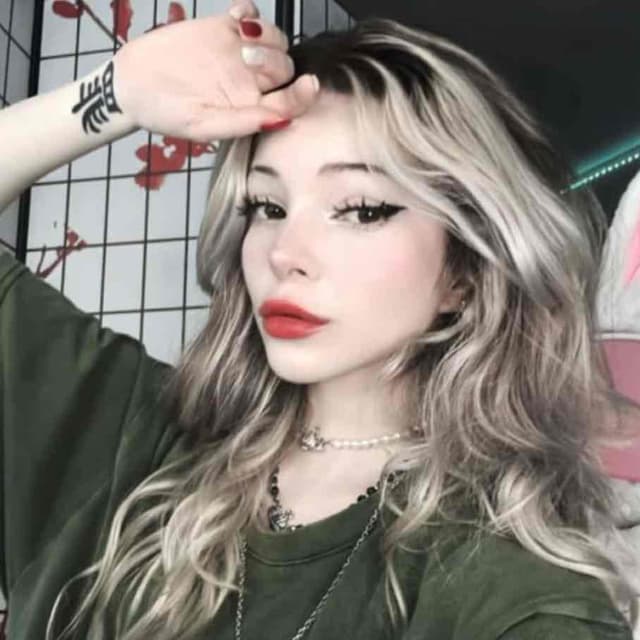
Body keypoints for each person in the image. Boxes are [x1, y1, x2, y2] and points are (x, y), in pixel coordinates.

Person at [0, 0, 638, 638]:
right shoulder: (125, 442)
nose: (285, 253)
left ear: (464, 273)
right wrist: (120, 92)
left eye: (360, 209)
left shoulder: (510, 589)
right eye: (267, 206)